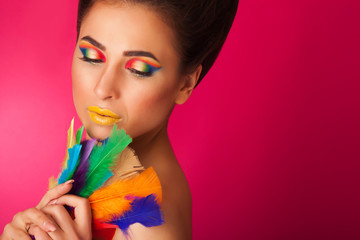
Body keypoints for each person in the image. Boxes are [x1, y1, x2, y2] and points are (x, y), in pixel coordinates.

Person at [0, 0, 238, 239]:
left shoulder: (151, 226)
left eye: (139, 69)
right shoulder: (95, 158)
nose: (103, 88)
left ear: (185, 83)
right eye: (92, 56)